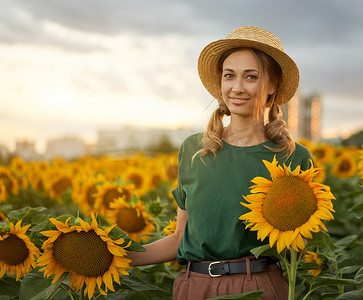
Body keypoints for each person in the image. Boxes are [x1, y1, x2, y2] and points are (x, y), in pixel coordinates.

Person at [126, 25, 313, 300]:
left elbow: (299, 248)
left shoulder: (293, 157)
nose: (237, 88)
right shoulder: (194, 150)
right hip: (195, 286)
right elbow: (179, 239)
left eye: (251, 77)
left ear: (272, 85)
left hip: (259, 286)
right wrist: (115, 257)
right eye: (230, 76)